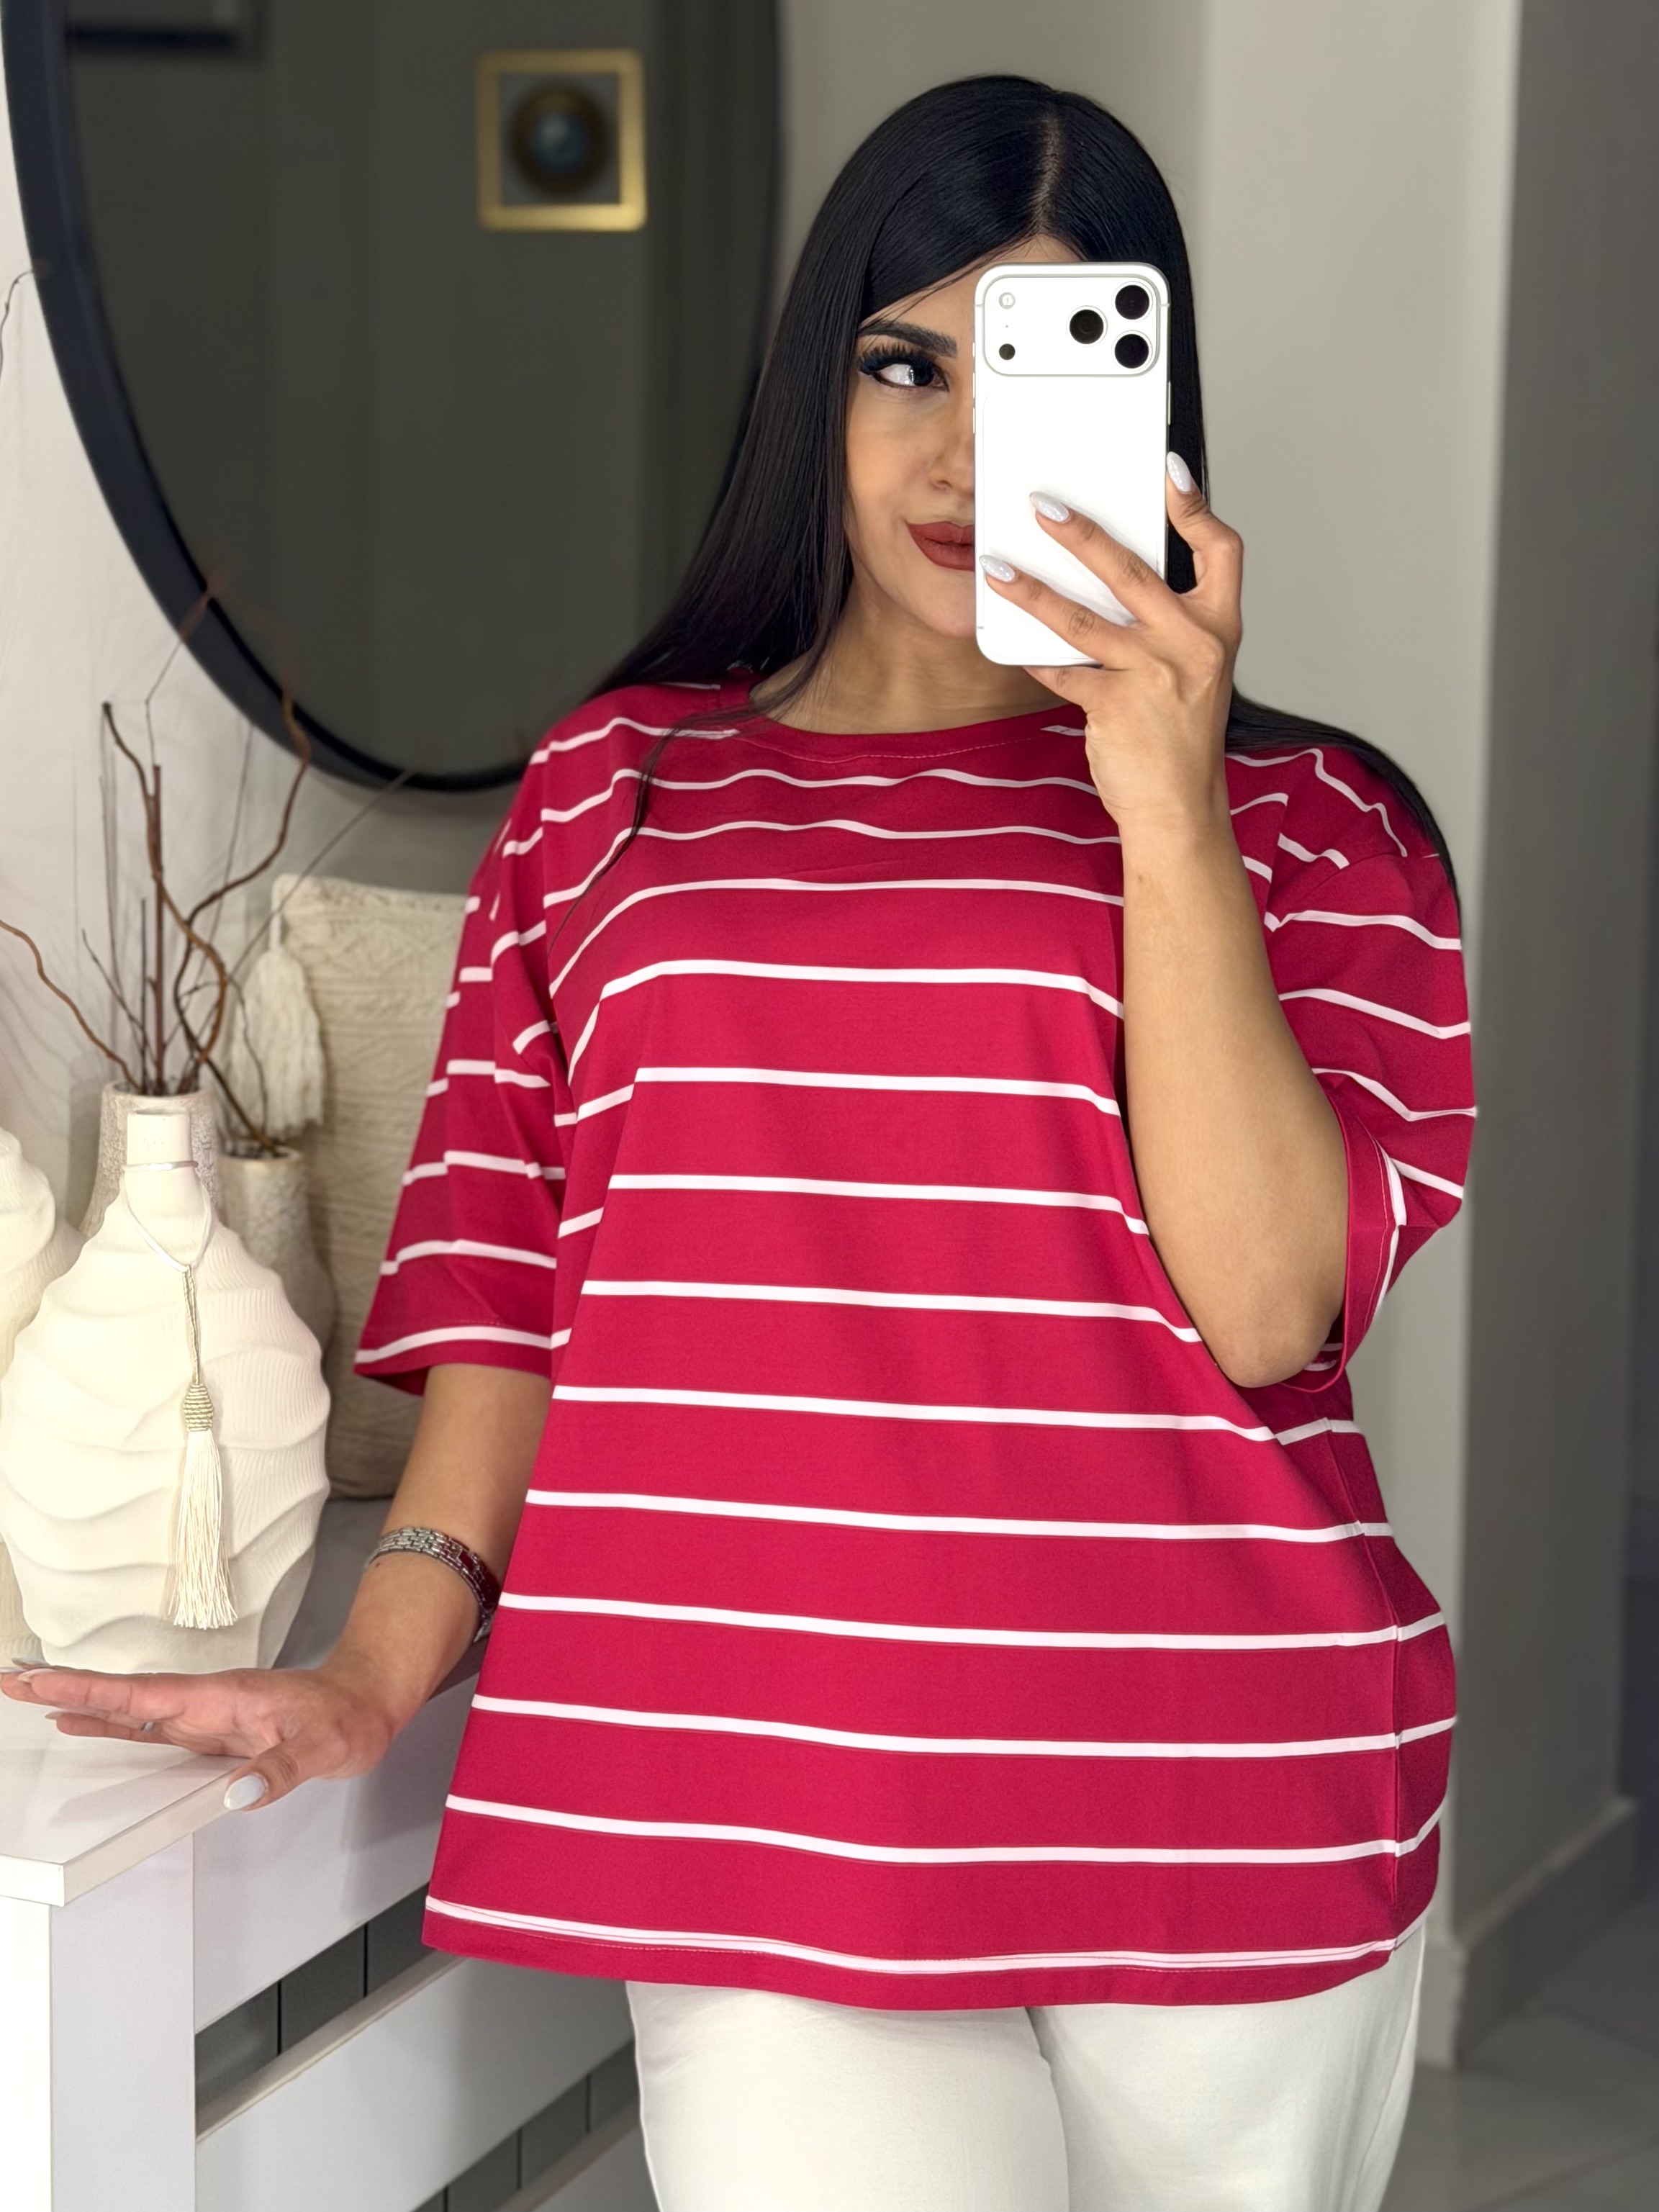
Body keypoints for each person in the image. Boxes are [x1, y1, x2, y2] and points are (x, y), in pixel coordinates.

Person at [4, 78, 1473, 2212]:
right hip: (759, 1794)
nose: (960, 456)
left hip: (1222, 1787)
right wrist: (366, 1678)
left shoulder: (1315, 826)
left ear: (1148, 410)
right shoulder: (613, 794)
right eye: (904, 364)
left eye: (1036, 368)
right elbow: (517, 1290)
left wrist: (1163, 802)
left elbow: (1266, 1311)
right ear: (815, 387)